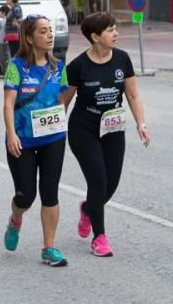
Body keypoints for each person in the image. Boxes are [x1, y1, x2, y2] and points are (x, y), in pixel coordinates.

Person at [61, 13, 150, 258]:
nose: (116, 34)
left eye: (115, 29)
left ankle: (88, 209)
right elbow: (63, 103)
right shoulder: (78, 66)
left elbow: (132, 95)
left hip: (113, 128)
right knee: (98, 180)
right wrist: (55, 133)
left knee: (111, 184)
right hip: (83, 128)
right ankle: (99, 237)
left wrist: (140, 123)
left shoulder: (122, 59)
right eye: (110, 30)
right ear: (95, 36)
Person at [2, 15, 70, 267]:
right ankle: (15, 220)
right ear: (30, 38)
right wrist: (11, 134)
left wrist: (60, 121)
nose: (50, 35)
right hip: (23, 140)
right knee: (26, 195)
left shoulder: (57, 67)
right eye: (43, 31)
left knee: (50, 192)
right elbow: (9, 104)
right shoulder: (16, 66)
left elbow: (63, 99)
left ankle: (48, 247)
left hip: (53, 137)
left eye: (51, 30)